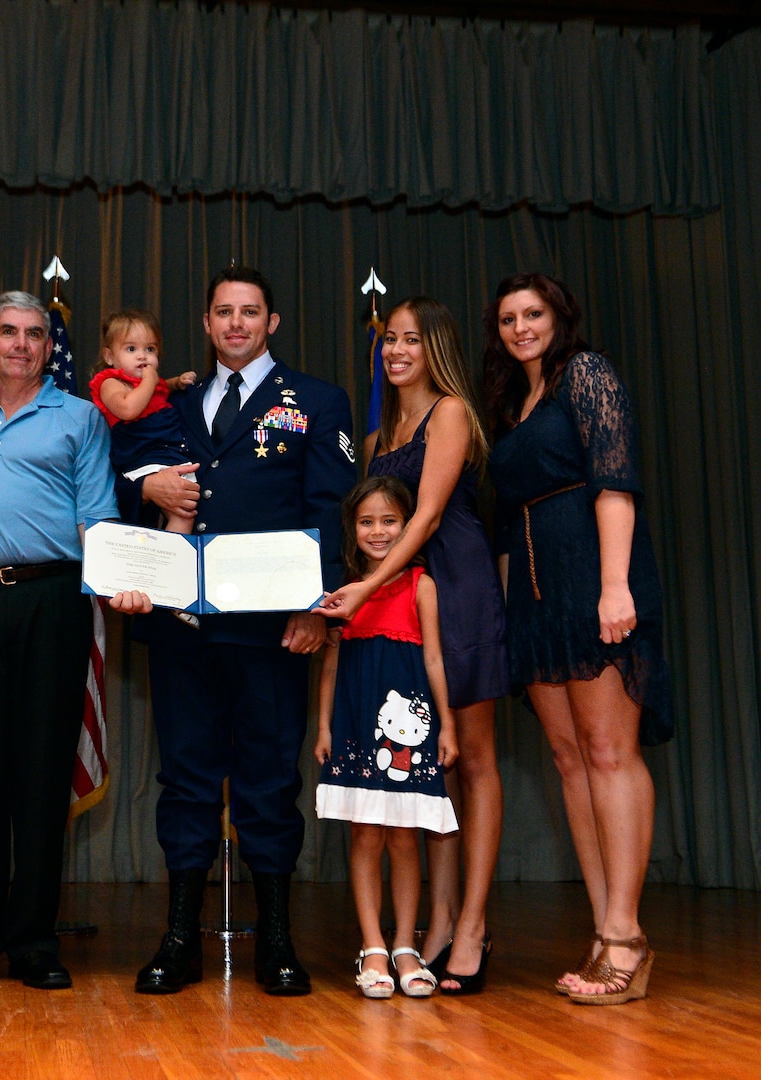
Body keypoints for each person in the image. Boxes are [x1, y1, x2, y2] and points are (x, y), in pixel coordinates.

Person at [114, 266, 356, 997]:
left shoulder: (316, 401)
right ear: (209, 321)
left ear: (272, 322)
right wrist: (145, 488)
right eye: (224, 312)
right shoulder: (172, 401)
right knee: (185, 781)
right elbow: (120, 471)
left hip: (270, 628)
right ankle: (180, 937)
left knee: (269, 780)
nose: (237, 324)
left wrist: (316, 606)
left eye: (251, 312)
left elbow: (329, 508)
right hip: (182, 626)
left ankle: (276, 940)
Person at [481, 271, 673, 1006]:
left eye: (533, 314)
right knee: (567, 761)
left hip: (595, 581)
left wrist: (616, 586)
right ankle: (602, 930)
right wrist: (505, 613)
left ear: (560, 316)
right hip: (532, 598)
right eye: (507, 319)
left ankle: (628, 936)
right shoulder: (509, 402)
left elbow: (615, 480)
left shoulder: (586, 374)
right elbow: (504, 521)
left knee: (607, 751)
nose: (520, 327)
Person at [0, 290, 118, 992]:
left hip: (53, 602)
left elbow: (97, 515)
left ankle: (35, 941)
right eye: (7, 331)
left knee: (41, 775)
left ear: (47, 345)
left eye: (35, 334)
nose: (21, 344)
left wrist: (119, 582)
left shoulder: (81, 417)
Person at [315, 296, 507, 994]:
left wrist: (367, 588)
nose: (396, 351)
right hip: (394, 596)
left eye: (411, 341)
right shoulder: (375, 439)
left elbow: (424, 518)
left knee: (475, 758)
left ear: (437, 350)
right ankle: (437, 919)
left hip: (452, 585)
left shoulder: (451, 411)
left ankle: (473, 924)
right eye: (388, 340)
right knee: (431, 772)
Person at [314, 476, 458, 999]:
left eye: (390, 520)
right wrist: (325, 725)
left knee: (404, 836)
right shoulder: (344, 588)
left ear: (408, 525)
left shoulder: (422, 585)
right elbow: (330, 662)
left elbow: (435, 659)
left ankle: (404, 945)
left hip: (412, 732)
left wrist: (449, 723)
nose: (378, 531)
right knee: (366, 835)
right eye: (367, 521)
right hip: (356, 724)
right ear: (352, 529)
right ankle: (372, 945)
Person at [87, 308, 198, 533]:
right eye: (131, 348)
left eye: (150, 349)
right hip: (140, 454)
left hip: (170, 452)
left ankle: (173, 558)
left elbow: (160, 388)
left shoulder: (151, 383)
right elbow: (128, 408)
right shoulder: (110, 382)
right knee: (178, 511)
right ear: (109, 356)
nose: (142, 356)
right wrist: (150, 380)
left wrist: (176, 382)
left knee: (185, 511)